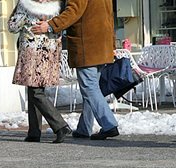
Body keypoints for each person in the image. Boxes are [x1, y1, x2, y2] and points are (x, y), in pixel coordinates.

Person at [32, 0, 119, 140]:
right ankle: (84, 128)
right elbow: (110, 16)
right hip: (102, 44)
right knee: (91, 89)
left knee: (89, 88)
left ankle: (109, 125)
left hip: (87, 45)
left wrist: (50, 25)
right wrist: (112, 44)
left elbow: (73, 12)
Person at [8, 0, 71, 143]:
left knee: (36, 91)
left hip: (32, 51)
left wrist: (15, 15)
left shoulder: (26, 4)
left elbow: (13, 26)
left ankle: (60, 126)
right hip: (49, 51)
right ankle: (34, 132)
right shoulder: (56, 6)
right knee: (34, 89)